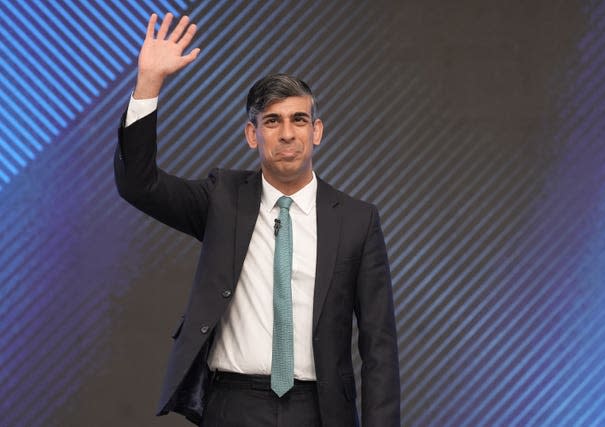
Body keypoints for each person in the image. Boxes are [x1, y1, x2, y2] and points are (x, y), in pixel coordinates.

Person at [115, 12, 400, 427]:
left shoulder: (357, 220)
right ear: (253, 135)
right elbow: (139, 185)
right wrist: (148, 85)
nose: (287, 133)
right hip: (233, 404)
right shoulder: (222, 199)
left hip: (319, 409)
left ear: (317, 131)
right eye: (272, 121)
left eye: (299, 120)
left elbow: (379, 347)